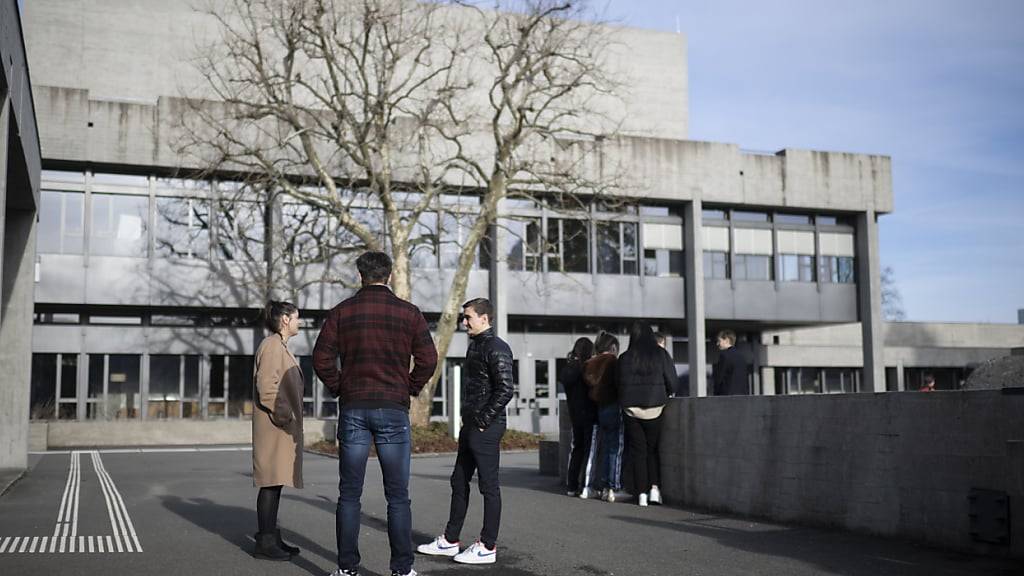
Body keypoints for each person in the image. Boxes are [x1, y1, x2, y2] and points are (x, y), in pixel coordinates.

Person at [313, 251, 438, 576]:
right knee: (398, 495)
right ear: (390, 275)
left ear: (360, 275)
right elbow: (428, 358)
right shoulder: (409, 313)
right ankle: (401, 569)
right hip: (393, 408)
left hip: (355, 407)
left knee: (349, 493)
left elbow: (321, 358)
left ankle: (347, 569)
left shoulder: (342, 312)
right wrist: (409, 387)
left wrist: (341, 387)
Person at [418, 298, 514, 565]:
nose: (464, 322)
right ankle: (450, 541)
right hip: (472, 425)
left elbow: (506, 389)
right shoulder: (477, 346)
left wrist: (483, 419)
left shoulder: (497, 348)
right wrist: (469, 420)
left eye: (468, 317)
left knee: (488, 486)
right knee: (459, 481)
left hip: (486, 426)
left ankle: (487, 546)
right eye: (464, 317)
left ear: (484, 318)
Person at [252, 300, 305, 561]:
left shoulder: (278, 346)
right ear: (285, 319)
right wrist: (285, 416)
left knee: (276, 483)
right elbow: (267, 388)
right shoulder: (273, 346)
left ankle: (271, 535)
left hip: (277, 427)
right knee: (270, 484)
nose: (299, 322)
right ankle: (265, 541)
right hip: (275, 427)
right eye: (296, 317)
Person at [617, 322, 675, 507]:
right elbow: (672, 381)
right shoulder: (660, 354)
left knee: (638, 452)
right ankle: (655, 490)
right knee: (652, 450)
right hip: (655, 407)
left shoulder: (625, 357)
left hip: (631, 409)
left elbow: (617, 383)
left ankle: (641, 493)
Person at [583, 331, 627, 502]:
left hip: (599, 409)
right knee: (615, 449)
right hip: (614, 406)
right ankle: (612, 487)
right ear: (613, 347)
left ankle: (600, 486)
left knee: (602, 448)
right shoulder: (614, 363)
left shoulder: (589, 365)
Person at [560, 337, 597, 497]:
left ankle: (571, 485)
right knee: (589, 449)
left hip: (574, 414)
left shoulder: (568, 369)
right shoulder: (586, 368)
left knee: (577, 449)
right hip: (589, 413)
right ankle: (585, 486)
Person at [712, 330, 749, 396]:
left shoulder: (724, 355)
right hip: (743, 396)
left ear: (726, 340)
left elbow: (719, 378)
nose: (717, 344)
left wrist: (715, 394)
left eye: (719, 341)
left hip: (727, 397)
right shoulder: (742, 357)